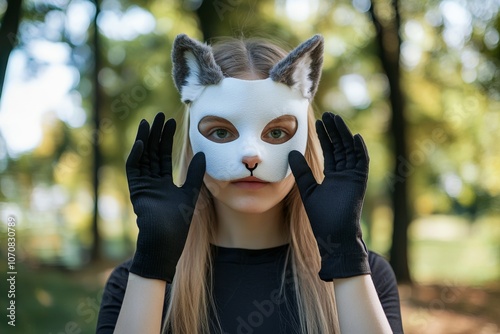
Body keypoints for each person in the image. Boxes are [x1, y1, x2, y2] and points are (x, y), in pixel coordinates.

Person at [97, 33, 404, 334]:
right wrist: (152, 264)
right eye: (220, 132)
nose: (251, 157)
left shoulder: (369, 276)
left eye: (276, 133)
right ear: (193, 142)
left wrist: (345, 255)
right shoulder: (132, 283)